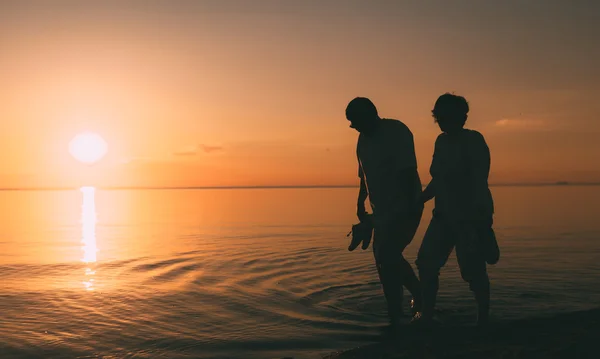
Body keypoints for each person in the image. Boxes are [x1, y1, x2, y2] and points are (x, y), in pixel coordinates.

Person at [413, 93, 496, 327]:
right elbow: (438, 179)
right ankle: (426, 315)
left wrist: (480, 220)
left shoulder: (474, 140)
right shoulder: (441, 141)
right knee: (426, 264)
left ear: (463, 117)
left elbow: (478, 180)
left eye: (447, 116)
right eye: (439, 117)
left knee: (473, 272)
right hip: (442, 216)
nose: (442, 121)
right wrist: (420, 199)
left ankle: (483, 319)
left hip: (471, 216)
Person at [346, 97, 424, 327]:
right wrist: (361, 205)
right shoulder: (362, 140)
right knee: (383, 260)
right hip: (380, 210)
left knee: (388, 255)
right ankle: (398, 309)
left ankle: (414, 298)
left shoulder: (397, 131)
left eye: (356, 122)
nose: (354, 127)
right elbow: (364, 177)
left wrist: (408, 209)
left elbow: (408, 173)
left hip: (405, 205)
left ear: (371, 115)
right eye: (351, 124)